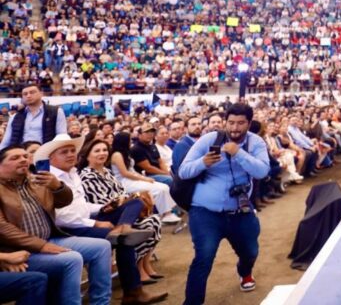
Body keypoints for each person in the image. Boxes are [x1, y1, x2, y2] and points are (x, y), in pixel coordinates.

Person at [40, 134, 166, 304]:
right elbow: (62, 217)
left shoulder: (72, 173)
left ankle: (123, 228)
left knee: (135, 202)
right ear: (51, 157)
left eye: (72, 151)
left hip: (84, 221)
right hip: (67, 229)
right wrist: (96, 222)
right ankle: (131, 292)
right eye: (64, 152)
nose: (70, 155)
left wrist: (102, 207)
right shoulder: (49, 178)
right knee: (124, 239)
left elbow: (81, 206)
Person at [178, 103, 270, 304]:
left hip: (240, 210)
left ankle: (244, 272)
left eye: (240, 123)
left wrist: (239, 153)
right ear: (225, 122)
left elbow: (262, 171)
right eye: (231, 122)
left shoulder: (255, 142)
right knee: (204, 257)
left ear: (249, 124)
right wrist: (203, 163)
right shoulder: (209, 139)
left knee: (250, 252)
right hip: (205, 212)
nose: (235, 128)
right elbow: (183, 171)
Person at [0, 145, 112, 305]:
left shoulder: (34, 181)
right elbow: (2, 228)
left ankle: (101, 302)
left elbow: (64, 202)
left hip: (49, 238)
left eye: (25, 156)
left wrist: (58, 186)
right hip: (18, 250)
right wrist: (42, 246)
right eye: (15, 158)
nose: (23, 159)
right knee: (72, 259)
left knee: (101, 247)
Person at [78, 139, 164, 285]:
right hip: (105, 216)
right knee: (141, 210)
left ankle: (144, 263)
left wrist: (127, 198)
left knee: (153, 219)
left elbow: (121, 193)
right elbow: (104, 204)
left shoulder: (107, 172)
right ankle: (138, 267)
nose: (102, 153)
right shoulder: (87, 175)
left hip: (122, 212)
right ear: (87, 156)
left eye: (105, 150)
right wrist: (127, 199)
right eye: (97, 151)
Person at [0, 84, 67, 149]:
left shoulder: (56, 112)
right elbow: (6, 142)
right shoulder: (15, 117)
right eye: (25, 94)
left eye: (32, 92)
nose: (28, 96)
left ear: (41, 93)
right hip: (22, 153)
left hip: (46, 152)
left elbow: (61, 136)